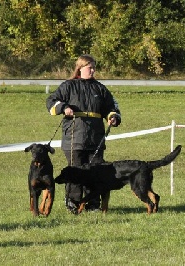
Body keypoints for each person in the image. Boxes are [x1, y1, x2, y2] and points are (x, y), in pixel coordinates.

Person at [46, 54, 121, 213]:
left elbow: (111, 106)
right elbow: (51, 102)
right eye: (90, 67)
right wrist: (63, 107)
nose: (93, 70)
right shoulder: (68, 86)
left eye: (94, 67)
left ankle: (93, 204)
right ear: (80, 68)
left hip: (96, 138)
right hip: (74, 137)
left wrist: (113, 116)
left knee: (96, 172)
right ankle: (73, 202)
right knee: (75, 171)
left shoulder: (100, 88)